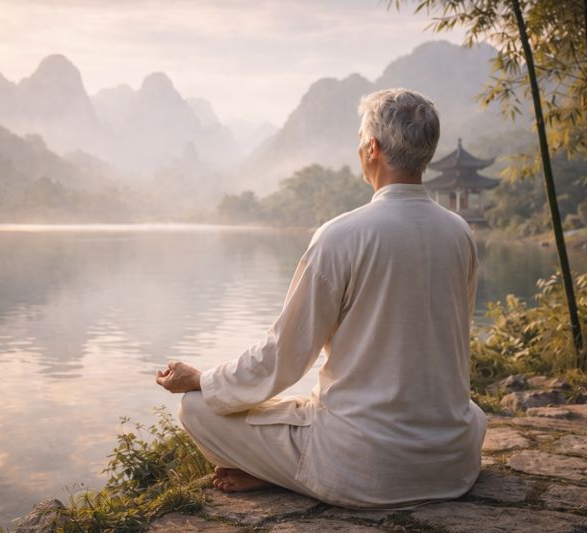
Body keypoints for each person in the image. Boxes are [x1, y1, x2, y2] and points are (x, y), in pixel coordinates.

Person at [155, 88, 487, 509]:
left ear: (372, 148)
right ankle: (285, 467)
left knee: (196, 409)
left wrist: (202, 379)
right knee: (468, 412)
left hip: (364, 469)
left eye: (360, 140)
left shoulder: (341, 236)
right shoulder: (460, 233)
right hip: (451, 463)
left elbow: (284, 356)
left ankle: (281, 473)